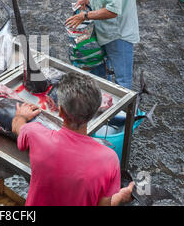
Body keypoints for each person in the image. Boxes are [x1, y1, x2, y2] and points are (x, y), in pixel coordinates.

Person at [12, 71, 134, 206]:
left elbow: (17, 126)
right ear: (94, 112)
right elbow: (103, 204)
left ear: (61, 111)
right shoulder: (109, 160)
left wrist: (21, 116)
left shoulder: (35, 133)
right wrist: (122, 196)